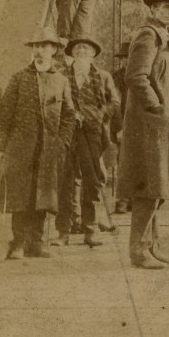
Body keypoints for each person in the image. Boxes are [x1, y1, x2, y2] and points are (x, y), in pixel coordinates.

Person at [116, 0, 169, 269]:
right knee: (149, 186)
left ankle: (151, 246)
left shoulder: (162, 37)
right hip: (150, 125)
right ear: (153, 9)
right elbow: (135, 76)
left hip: (158, 124)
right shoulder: (148, 35)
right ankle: (138, 251)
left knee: (157, 185)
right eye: (165, 7)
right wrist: (156, 107)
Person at [0, 26, 77, 260]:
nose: (40, 51)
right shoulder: (19, 79)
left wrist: (62, 142)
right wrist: (0, 147)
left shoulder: (60, 81)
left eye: (45, 46)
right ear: (32, 50)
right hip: (20, 149)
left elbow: (69, 114)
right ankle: (19, 243)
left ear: (54, 50)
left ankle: (37, 242)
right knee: (21, 196)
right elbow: (4, 116)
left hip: (49, 149)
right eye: (36, 46)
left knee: (44, 196)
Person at [52, 36, 119, 247]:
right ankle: (63, 232)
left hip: (92, 134)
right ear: (72, 55)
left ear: (93, 55)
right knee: (65, 181)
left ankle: (90, 230)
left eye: (86, 50)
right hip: (67, 133)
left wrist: (99, 116)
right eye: (78, 50)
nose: (82, 53)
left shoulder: (103, 76)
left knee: (92, 181)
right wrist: (69, 116)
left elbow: (115, 101)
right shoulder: (62, 76)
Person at [110, 42, 132, 214]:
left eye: (130, 57)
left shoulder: (143, 76)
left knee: (139, 162)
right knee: (123, 162)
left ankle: (134, 199)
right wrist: (118, 128)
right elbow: (114, 105)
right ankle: (122, 200)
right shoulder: (115, 78)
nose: (127, 61)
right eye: (124, 58)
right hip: (122, 125)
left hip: (140, 127)